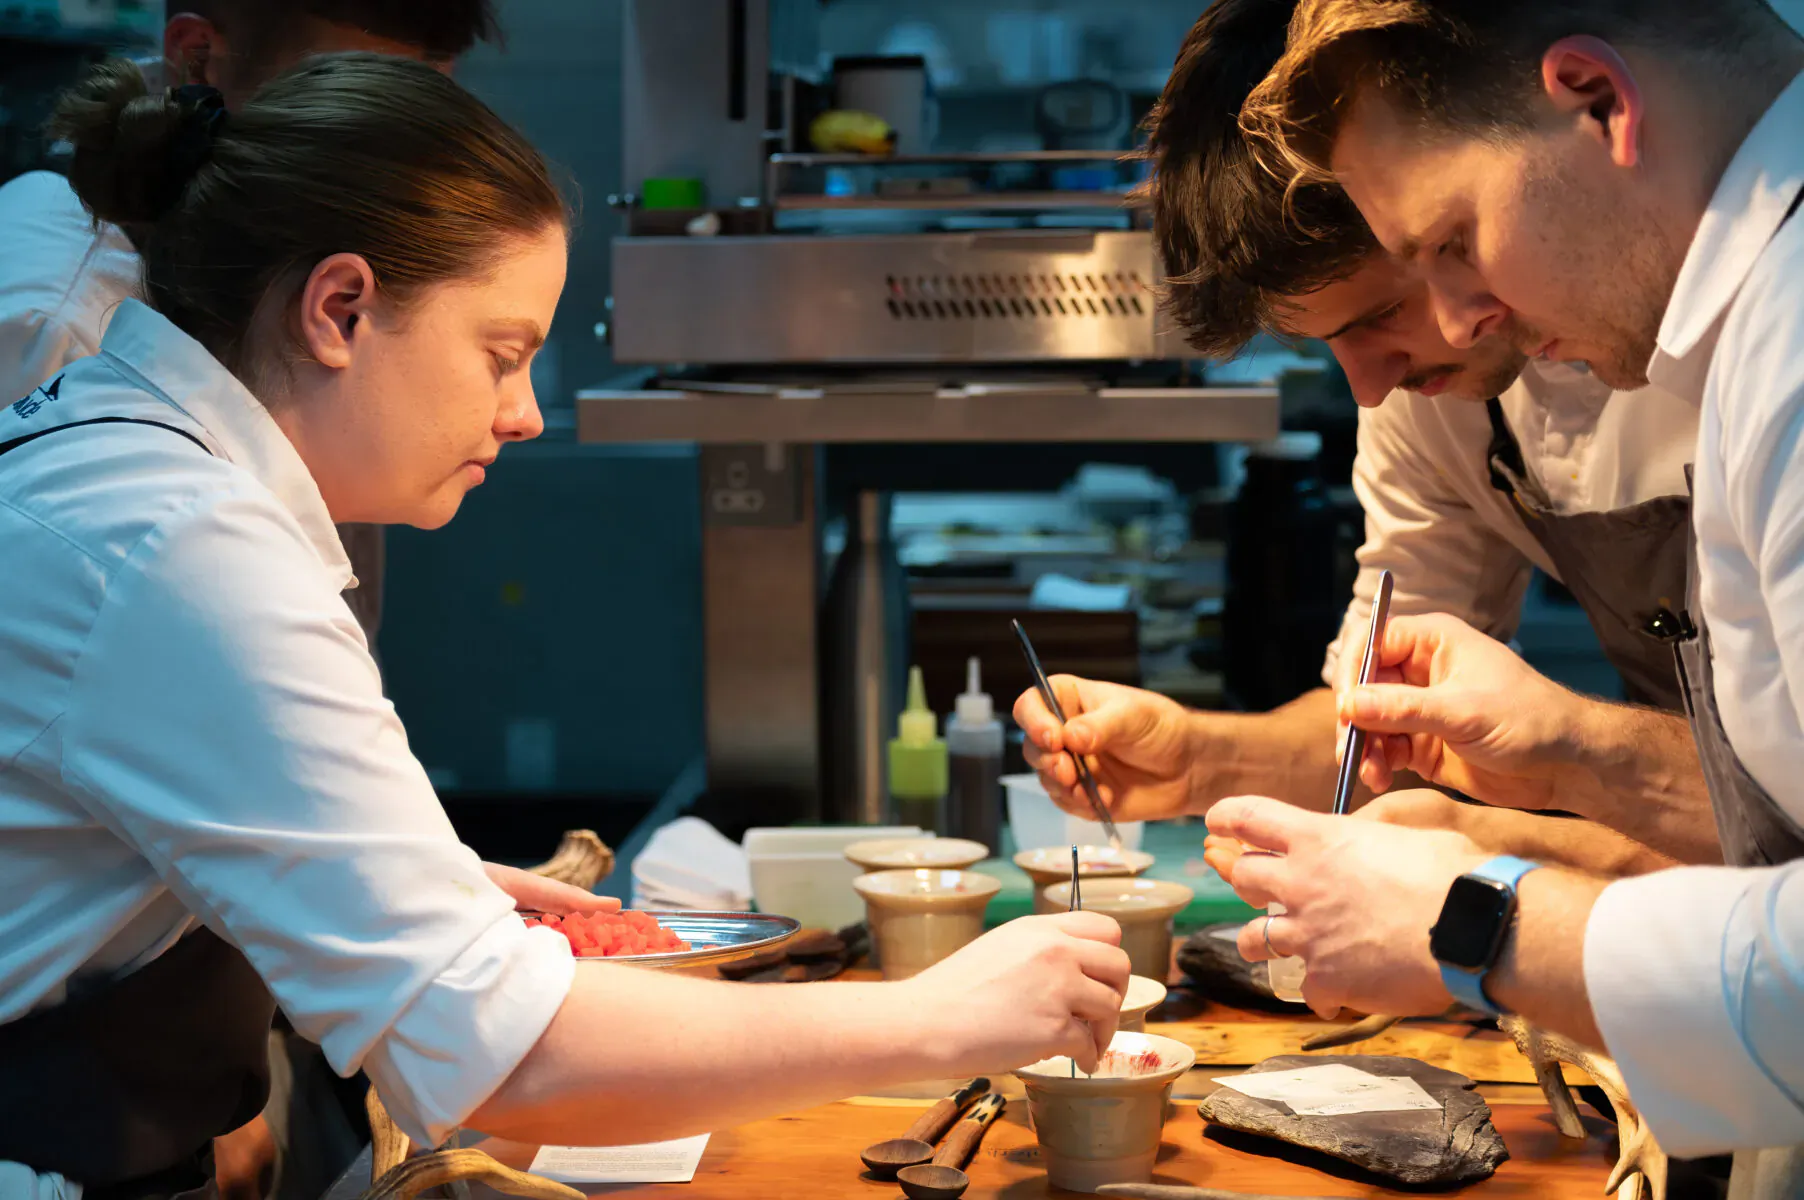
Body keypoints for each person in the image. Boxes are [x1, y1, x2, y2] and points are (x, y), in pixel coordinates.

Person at [0, 56, 1131, 1198]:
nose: (526, 413)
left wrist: (392, 880)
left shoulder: (132, 468)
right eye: (502, 353)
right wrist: (938, 1016)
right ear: (339, 308)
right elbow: (512, 1059)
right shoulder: (183, 544)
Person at [1203, 0, 1804, 1171]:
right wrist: (1507, 812)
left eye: (1451, 243)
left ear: (1598, 102)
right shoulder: (1752, 330)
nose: (1466, 320)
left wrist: (1482, 918)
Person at [1013, 0, 1709, 875]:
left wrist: (1517, 835)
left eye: (1383, 313)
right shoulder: (1430, 399)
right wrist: (1200, 760)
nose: (1369, 386)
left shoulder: (1747, 341)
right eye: (1324, 343)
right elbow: (1379, 729)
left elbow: (1774, 807)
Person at [0, 0, 501, 644]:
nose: (399, 146)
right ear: (196, 54)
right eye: (347, 93)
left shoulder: (296, 240)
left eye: (423, 97)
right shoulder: (61, 323)